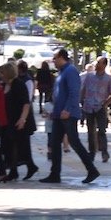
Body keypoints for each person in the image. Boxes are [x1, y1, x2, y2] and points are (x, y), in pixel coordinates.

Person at [39, 49, 99, 184]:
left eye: (55, 58)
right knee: (54, 143)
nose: (53, 61)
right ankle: (55, 174)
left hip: (68, 114)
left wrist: (67, 110)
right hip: (59, 115)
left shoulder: (70, 71)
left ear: (61, 57)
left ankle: (92, 170)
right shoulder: (62, 72)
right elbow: (60, 94)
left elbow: (74, 92)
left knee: (74, 142)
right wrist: (54, 113)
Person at [0, 62, 37, 181]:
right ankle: (30, 166)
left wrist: (22, 119)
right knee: (17, 145)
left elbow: (26, 103)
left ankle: (14, 171)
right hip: (9, 119)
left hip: (20, 119)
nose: (0, 75)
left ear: (7, 73)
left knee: (15, 144)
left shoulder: (18, 84)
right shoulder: (4, 85)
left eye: (2, 73)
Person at [80, 56, 111, 163]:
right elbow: (83, 90)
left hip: (100, 107)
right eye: (96, 62)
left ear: (104, 65)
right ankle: (92, 152)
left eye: (99, 63)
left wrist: (105, 104)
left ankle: (104, 152)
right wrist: (81, 101)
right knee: (90, 131)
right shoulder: (89, 77)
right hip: (88, 107)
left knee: (101, 131)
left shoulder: (108, 79)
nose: (96, 64)